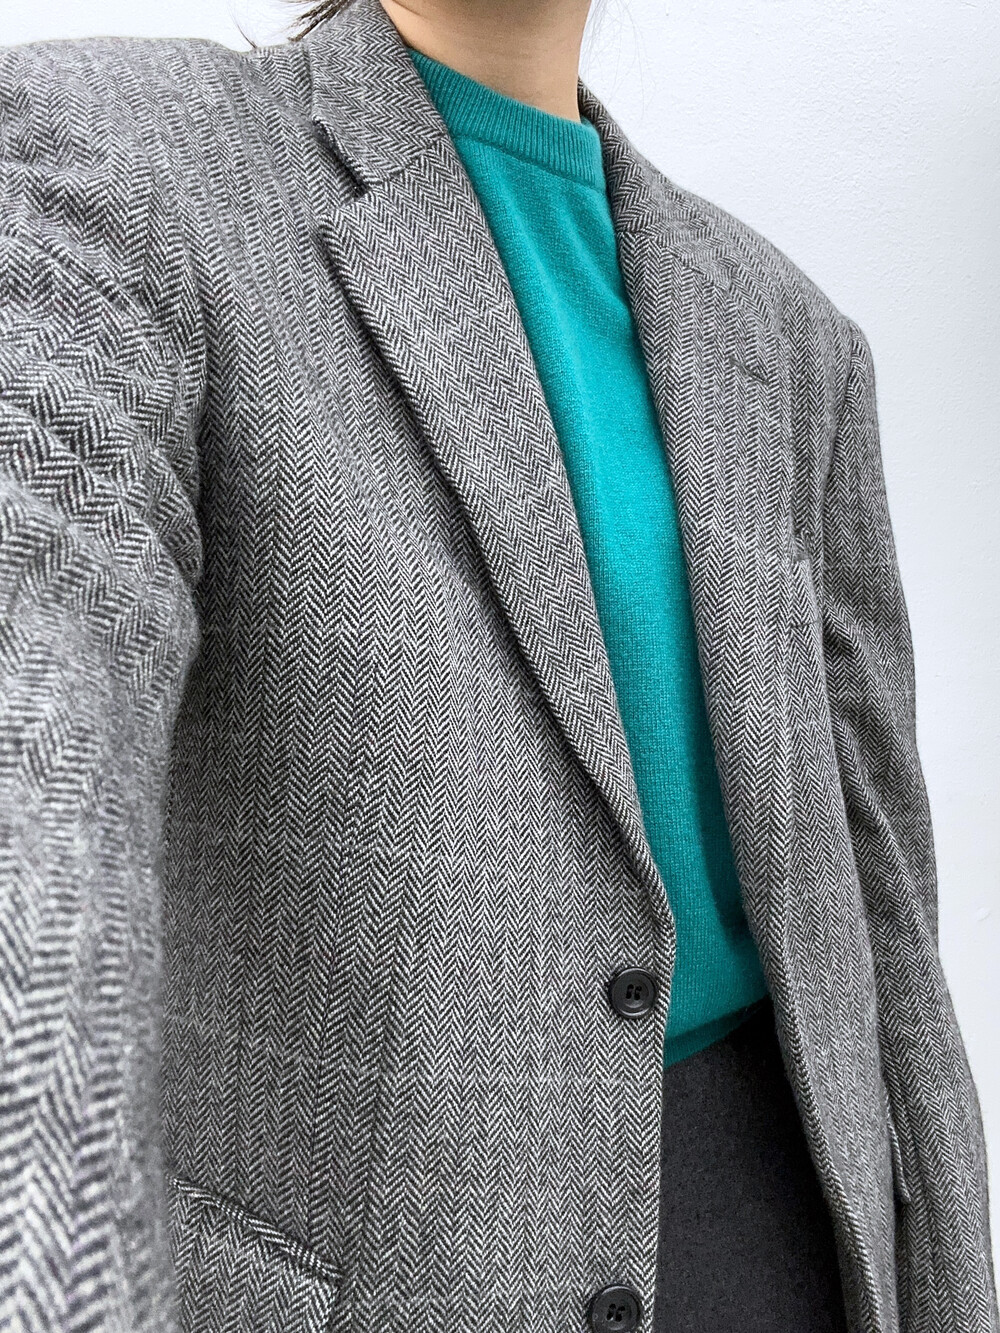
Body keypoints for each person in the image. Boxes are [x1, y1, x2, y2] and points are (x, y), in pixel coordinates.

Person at [0, 0, 995, 1329]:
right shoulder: (126, 154)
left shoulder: (791, 338)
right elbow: (41, 770)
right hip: (401, 1262)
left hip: (783, 1238)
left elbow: (886, 926)